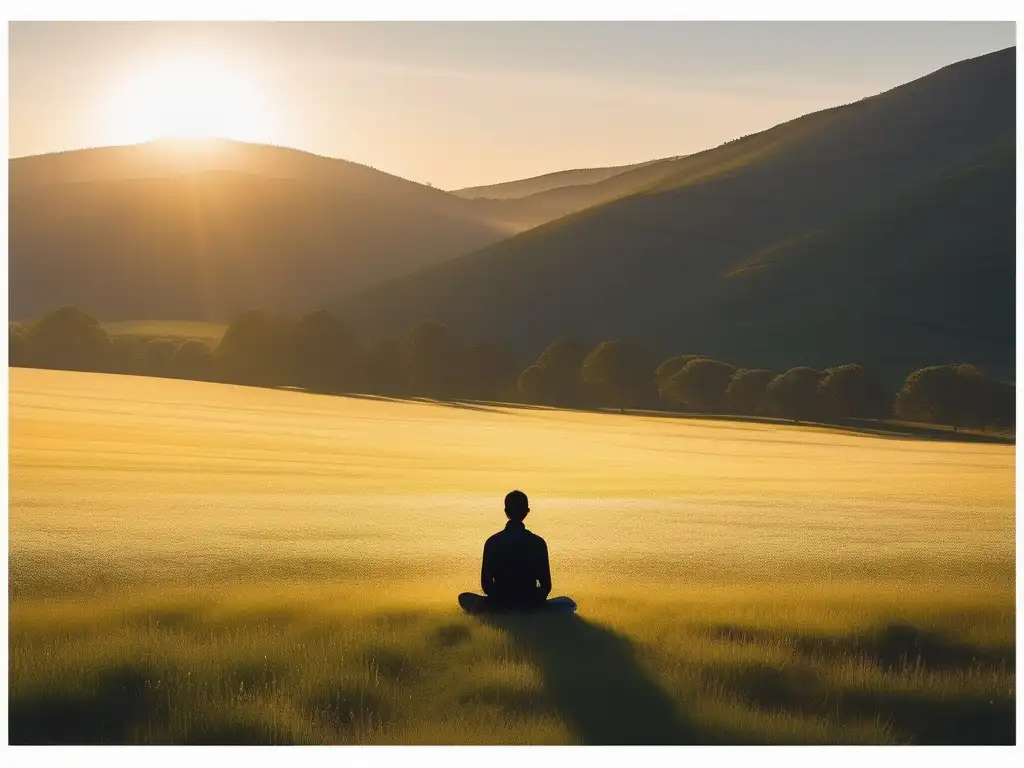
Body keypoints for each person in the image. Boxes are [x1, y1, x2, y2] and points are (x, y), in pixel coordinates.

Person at [458, 490, 576, 614]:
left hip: (500, 602)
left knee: (465, 598)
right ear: (527, 511)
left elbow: (486, 585)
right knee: (566, 603)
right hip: (529, 603)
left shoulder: (492, 542)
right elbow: (546, 587)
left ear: (506, 512)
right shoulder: (538, 543)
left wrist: (502, 598)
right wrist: (531, 600)